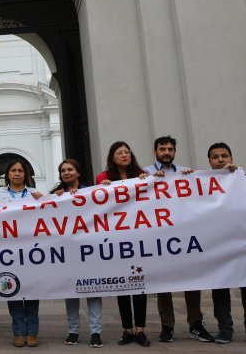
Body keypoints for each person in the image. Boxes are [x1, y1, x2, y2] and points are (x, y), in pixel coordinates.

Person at [142, 136, 213, 344]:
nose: (166, 152)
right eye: (162, 149)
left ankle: (196, 324)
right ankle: (167, 326)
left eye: (170, 149)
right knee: (163, 281)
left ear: (174, 152)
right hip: (159, 236)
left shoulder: (185, 172)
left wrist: (192, 178)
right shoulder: (145, 173)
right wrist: (149, 180)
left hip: (184, 235)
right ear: (155, 151)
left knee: (192, 279)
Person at [206, 142, 246, 346]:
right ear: (210, 161)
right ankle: (225, 329)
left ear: (231, 158)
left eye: (224, 155)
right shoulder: (202, 183)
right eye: (215, 157)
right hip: (218, 244)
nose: (220, 160)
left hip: (245, 242)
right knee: (220, 286)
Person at [95, 142, 151, 346]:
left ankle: (141, 329)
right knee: (122, 284)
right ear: (112, 157)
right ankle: (127, 329)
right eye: (120, 153)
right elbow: (98, 200)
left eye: (127, 151)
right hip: (117, 237)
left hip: (138, 236)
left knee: (139, 283)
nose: (125, 155)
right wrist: (104, 189)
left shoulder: (142, 174)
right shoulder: (103, 177)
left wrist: (149, 181)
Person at [50, 159, 103, 349]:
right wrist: (56, 198)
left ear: (78, 173)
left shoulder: (91, 192)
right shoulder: (55, 195)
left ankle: (96, 332)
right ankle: (73, 330)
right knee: (71, 291)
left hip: (89, 250)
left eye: (70, 169)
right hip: (68, 252)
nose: (66, 173)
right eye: (63, 170)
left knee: (94, 291)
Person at [0, 159, 42, 347]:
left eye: (20, 170)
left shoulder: (34, 194)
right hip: (9, 249)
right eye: (13, 170)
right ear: (8, 174)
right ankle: (19, 332)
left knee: (31, 290)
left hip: (31, 249)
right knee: (12, 287)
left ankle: (32, 332)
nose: (17, 173)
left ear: (25, 174)